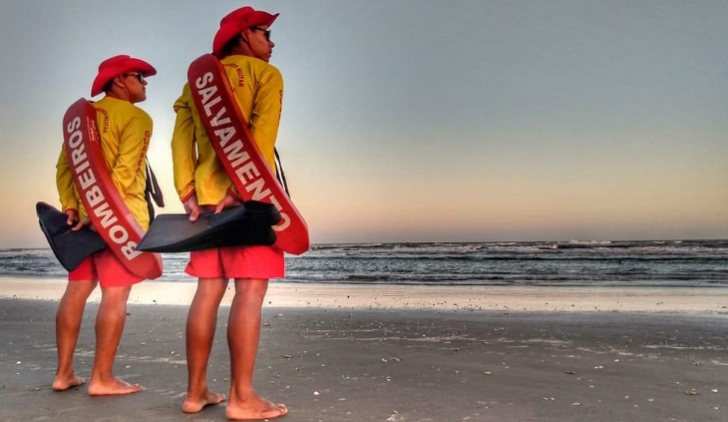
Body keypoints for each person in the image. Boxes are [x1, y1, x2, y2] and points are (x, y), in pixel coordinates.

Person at [171, 6, 288, 420]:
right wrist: (244, 187)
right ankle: (242, 397)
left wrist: (187, 189)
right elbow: (262, 133)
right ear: (244, 36)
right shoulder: (265, 75)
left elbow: (181, 139)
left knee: (208, 292)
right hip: (247, 198)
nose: (272, 43)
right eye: (266, 34)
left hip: (204, 202)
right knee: (250, 292)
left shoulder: (197, 86)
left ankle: (195, 392)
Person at [54, 55, 157, 396]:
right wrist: (104, 214)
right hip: (118, 220)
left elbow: (64, 168)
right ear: (118, 81)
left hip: (82, 222)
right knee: (114, 295)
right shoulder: (137, 117)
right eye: (139, 76)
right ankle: (102, 378)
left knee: (77, 291)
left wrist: (72, 206)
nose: (144, 82)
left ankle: (64, 373)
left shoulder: (82, 119)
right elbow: (126, 174)